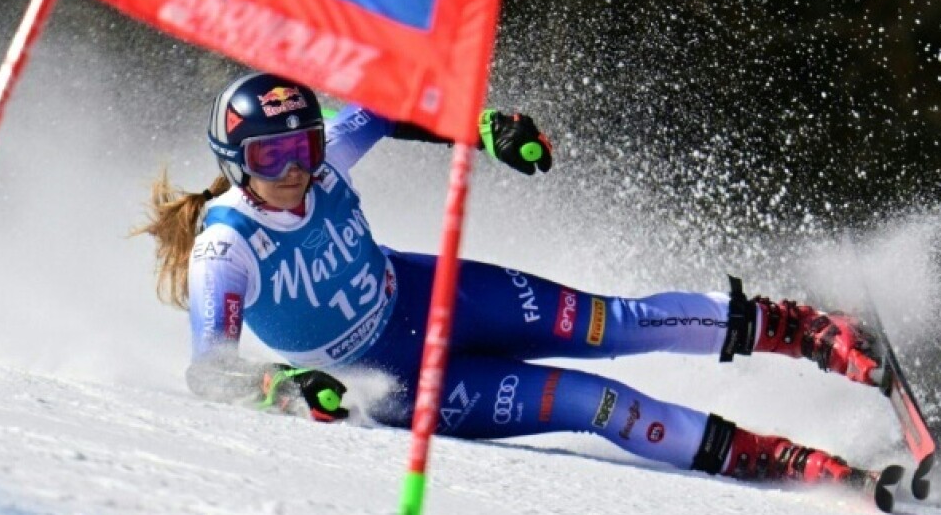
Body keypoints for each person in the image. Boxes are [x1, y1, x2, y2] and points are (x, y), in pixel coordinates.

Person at [137, 71, 888, 491]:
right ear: (237, 164)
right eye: (272, 159)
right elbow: (210, 371)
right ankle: (765, 458)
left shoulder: (327, 159)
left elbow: (393, 105)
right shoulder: (224, 249)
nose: (297, 171)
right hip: (405, 382)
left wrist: (486, 127)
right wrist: (286, 388)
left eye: (302, 146)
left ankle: (795, 330)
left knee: (611, 321)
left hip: (435, 295)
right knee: (596, 404)